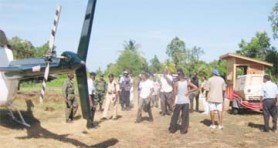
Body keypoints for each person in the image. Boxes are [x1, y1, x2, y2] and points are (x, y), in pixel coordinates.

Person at [169, 69, 198, 134]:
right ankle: (183, 130)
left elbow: (174, 93)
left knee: (175, 116)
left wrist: (173, 102)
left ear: (179, 76)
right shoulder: (187, 82)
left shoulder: (176, 83)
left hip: (179, 101)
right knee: (185, 116)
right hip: (185, 101)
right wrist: (189, 91)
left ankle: (172, 129)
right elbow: (196, 87)